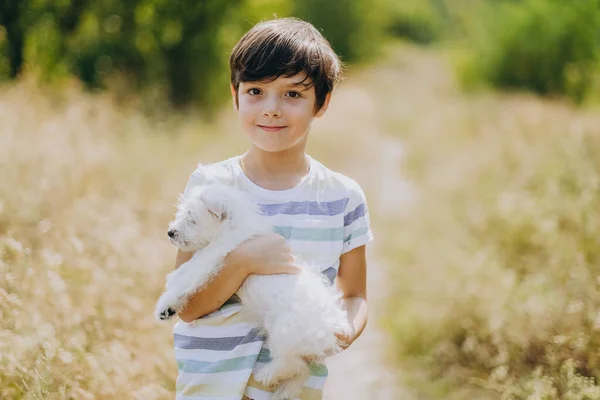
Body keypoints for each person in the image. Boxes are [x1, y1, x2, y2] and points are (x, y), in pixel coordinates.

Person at [171, 17, 373, 400]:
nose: (272, 109)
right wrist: (244, 261)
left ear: (322, 102)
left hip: (292, 390)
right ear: (235, 96)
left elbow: (354, 293)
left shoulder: (343, 197)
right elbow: (186, 306)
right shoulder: (212, 189)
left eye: (293, 94)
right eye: (256, 91)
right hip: (209, 387)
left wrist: (340, 332)